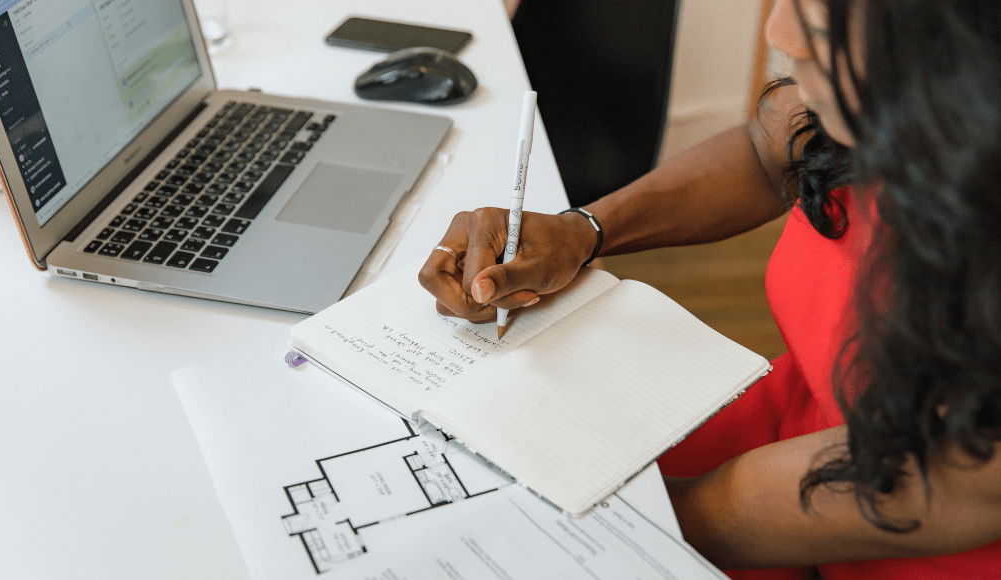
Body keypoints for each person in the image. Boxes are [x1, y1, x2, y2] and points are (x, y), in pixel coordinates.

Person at [417, 0, 1001, 578]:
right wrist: (582, 231)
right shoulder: (884, 88)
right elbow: (768, 148)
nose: (780, 34)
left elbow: (941, 482)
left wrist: (621, 525)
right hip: (779, 440)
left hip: (882, 531)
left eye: (823, 24)